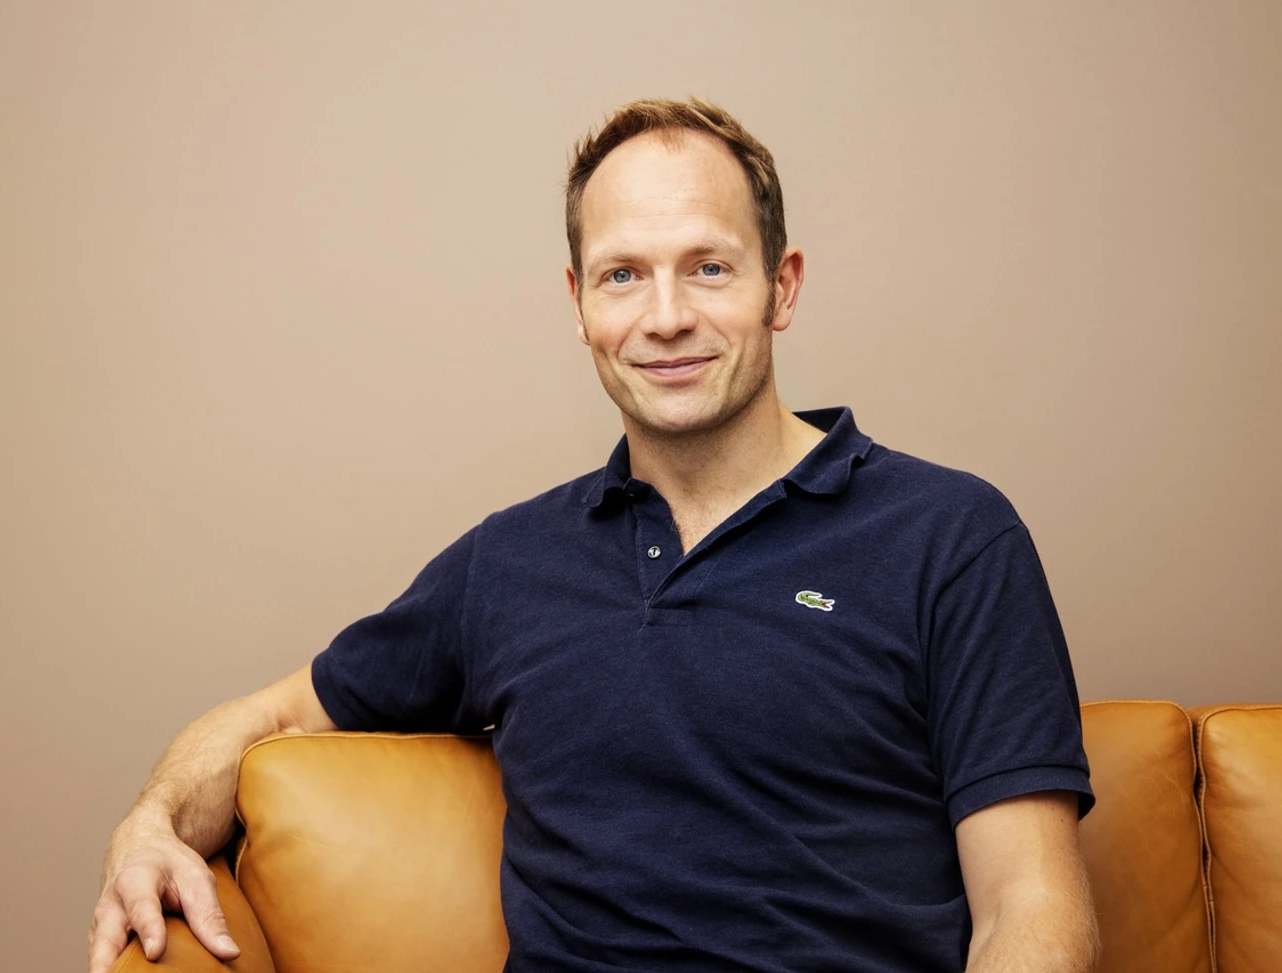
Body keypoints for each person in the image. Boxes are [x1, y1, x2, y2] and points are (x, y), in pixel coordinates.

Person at [88, 97, 1098, 973]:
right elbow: (273, 716)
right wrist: (149, 822)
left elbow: (1032, 908)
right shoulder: (507, 564)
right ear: (578, 304)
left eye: (708, 267)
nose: (666, 317)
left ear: (781, 286)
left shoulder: (949, 536)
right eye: (622, 276)